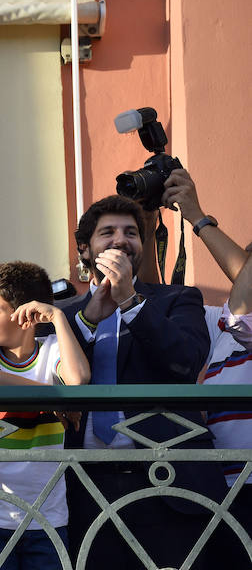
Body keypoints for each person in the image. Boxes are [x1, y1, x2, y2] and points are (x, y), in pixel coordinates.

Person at [62, 194, 224, 569]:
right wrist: (86, 321)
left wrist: (131, 302)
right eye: (108, 233)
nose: (121, 240)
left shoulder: (178, 298)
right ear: (85, 249)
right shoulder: (61, 316)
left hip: (169, 479)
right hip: (85, 485)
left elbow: (185, 363)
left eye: (131, 233)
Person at [0, 261, 90, 570]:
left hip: (47, 516)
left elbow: (78, 380)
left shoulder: (53, 348)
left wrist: (58, 317)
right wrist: (51, 396)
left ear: (26, 318)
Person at [161, 168, 252, 564]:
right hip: (223, 486)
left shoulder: (241, 318)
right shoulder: (220, 324)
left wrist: (197, 216)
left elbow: (245, 303)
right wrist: (149, 227)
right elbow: (158, 304)